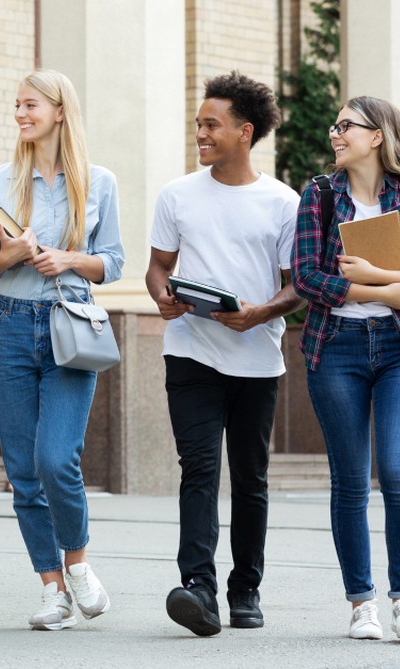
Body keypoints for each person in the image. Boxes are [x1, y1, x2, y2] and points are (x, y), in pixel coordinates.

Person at [145, 71, 303, 637]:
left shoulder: (284, 202)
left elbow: (297, 283)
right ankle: (199, 589)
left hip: (257, 357)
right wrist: (162, 295)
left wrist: (260, 312)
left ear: (245, 131)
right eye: (198, 124)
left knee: (251, 477)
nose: (201, 134)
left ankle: (246, 591)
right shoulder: (177, 194)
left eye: (211, 124)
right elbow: (160, 266)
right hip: (190, 352)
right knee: (199, 470)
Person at [0, 69, 124, 631]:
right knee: (25, 471)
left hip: (70, 328)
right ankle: (51, 588)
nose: (20, 114)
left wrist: (66, 258)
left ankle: (76, 562)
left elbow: (114, 262)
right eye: (16, 106)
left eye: (30, 104)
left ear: (59, 110)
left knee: (58, 459)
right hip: (7, 328)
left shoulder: (98, 182)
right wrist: (10, 255)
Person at [291, 96, 400, 641]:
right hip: (335, 346)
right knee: (350, 480)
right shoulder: (317, 194)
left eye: (346, 126)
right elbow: (309, 279)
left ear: (377, 135)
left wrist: (384, 272)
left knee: (399, 472)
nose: (336, 133)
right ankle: (362, 604)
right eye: (335, 125)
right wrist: (379, 286)